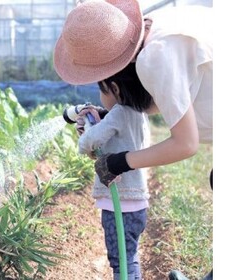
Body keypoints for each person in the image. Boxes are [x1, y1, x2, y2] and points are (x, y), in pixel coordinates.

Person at [53, 0, 213, 279]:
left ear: (114, 83)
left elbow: (186, 143)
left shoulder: (155, 58)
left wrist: (120, 162)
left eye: (99, 85)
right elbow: (148, 106)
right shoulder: (155, 31)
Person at [76, 62, 151, 280]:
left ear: (115, 89)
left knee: (121, 263)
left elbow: (90, 141)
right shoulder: (139, 111)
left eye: (102, 89)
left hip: (120, 206)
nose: (100, 95)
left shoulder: (119, 112)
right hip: (136, 205)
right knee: (129, 256)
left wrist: (84, 136)